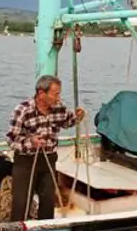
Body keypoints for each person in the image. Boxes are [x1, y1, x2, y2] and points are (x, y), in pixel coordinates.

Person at [6, 75, 85, 221]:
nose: (58, 98)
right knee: (21, 203)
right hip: (25, 162)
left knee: (48, 201)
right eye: (55, 94)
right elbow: (11, 139)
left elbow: (67, 122)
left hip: (48, 160)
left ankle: (46, 230)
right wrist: (31, 142)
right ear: (41, 93)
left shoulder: (59, 108)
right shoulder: (22, 110)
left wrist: (78, 117)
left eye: (59, 94)